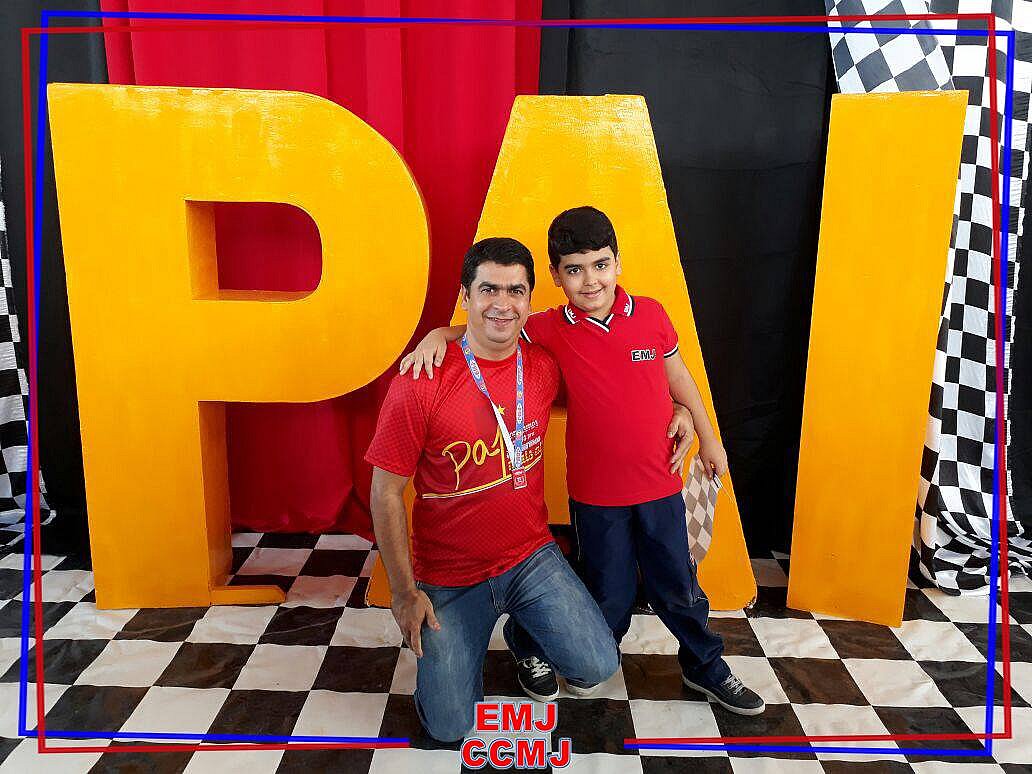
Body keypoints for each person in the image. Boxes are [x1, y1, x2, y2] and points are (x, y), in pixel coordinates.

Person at [400, 207, 765, 716]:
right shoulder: (547, 328)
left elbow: (679, 380)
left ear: (618, 263)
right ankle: (536, 645)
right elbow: (488, 328)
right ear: (556, 276)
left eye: (600, 265)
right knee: (608, 595)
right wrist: (439, 334)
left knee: (679, 588)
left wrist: (707, 436)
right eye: (574, 270)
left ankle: (705, 666)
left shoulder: (652, 315)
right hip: (596, 498)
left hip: (660, 483)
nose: (590, 280)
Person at [365, 237, 621, 743]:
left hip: (529, 557)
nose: (502, 304)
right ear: (465, 296)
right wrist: (403, 593)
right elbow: (384, 493)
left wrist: (677, 409)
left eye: (515, 291)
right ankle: (461, 650)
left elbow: (619, 388)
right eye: (488, 290)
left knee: (597, 664)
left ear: (529, 299)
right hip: (450, 576)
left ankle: (522, 636)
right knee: (449, 727)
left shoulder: (543, 364)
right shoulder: (421, 379)